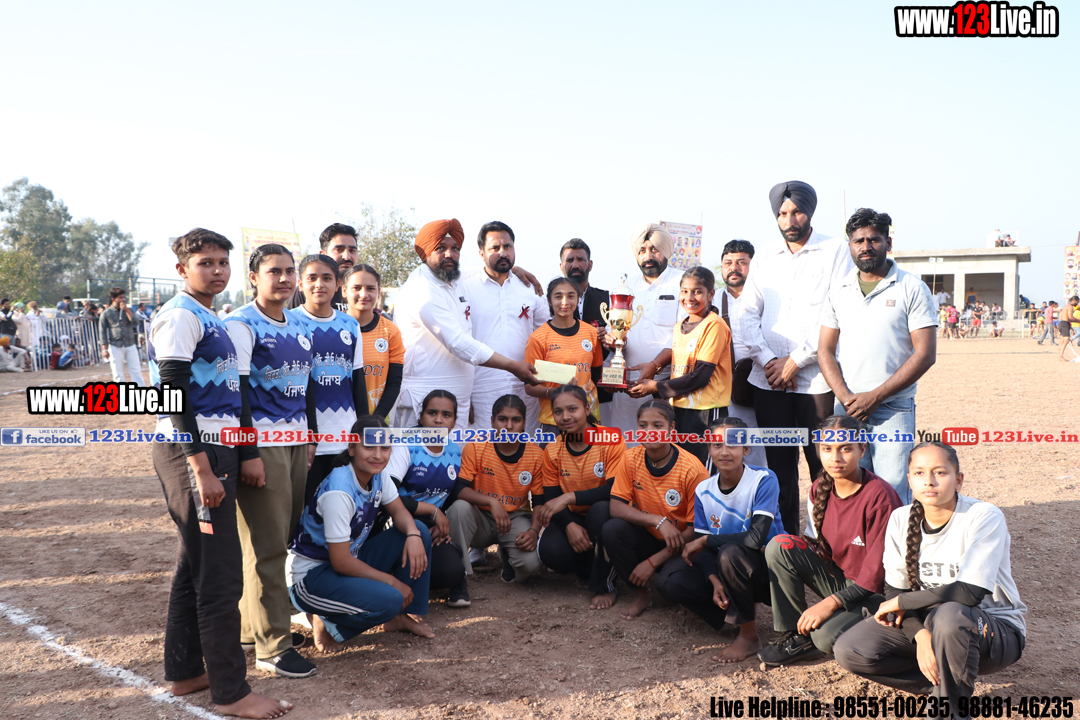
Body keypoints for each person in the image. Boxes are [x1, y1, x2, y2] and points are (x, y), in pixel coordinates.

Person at [148, 228, 292, 718]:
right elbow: (172, 393)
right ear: (182, 269)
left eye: (222, 262)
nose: (216, 270)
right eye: (205, 262)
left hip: (219, 450)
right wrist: (200, 468)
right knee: (221, 576)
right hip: (194, 453)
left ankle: (186, 671)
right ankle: (232, 693)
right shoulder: (180, 316)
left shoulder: (210, 316)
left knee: (196, 565)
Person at [834, 443, 1026, 710]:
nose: (929, 481)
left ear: (958, 480)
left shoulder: (983, 516)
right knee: (851, 648)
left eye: (940, 472)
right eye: (919, 473)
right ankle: (944, 684)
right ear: (909, 480)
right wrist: (920, 636)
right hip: (933, 624)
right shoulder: (900, 519)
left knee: (949, 615)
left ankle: (951, 708)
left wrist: (903, 603)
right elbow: (896, 591)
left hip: (993, 632)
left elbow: (969, 592)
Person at [739, 180, 854, 538]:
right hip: (769, 382)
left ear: (810, 213)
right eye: (783, 213)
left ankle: (827, 542)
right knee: (779, 469)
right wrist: (770, 360)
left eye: (797, 212)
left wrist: (796, 360)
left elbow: (838, 311)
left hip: (816, 381)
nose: (790, 220)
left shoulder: (835, 251)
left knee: (824, 465)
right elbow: (747, 313)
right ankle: (785, 543)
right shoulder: (765, 255)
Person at [224, 244, 318, 679]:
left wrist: (310, 436)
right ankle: (274, 647)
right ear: (254, 277)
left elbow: (307, 386)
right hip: (262, 445)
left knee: (272, 540)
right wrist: (248, 452)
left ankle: (252, 629)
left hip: (296, 443)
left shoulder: (298, 323)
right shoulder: (241, 324)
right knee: (268, 547)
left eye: (289, 271)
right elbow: (236, 393)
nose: (284, 279)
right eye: (273, 271)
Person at [757, 414, 901, 666]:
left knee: (823, 637)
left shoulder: (881, 497)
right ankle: (795, 636)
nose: (835, 458)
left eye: (845, 449)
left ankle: (872, 634)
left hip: (877, 593)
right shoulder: (819, 487)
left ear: (862, 449)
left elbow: (876, 577)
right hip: (842, 579)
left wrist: (830, 603)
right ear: (818, 450)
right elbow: (816, 545)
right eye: (827, 449)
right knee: (780, 545)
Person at [287, 416, 434, 654]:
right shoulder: (339, 491)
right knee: (390, 598)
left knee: (419, 531)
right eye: (369, 447)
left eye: (385, 448)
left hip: (346, 562)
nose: (378, 455)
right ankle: (325, 620)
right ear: (352, 448)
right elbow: (341, 562)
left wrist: (413, 535)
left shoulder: (378, 474)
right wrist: (392, 581)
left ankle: (399, 616)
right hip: (312, 577)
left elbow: (398, 510)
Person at [818, 209, 938, 502]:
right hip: (846, 408)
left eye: (874, 239)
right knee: (848, 489)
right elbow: (825, 350)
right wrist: (847, 398)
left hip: (893, 408)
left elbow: (925, 354)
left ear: (888, 243)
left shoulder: (911, 287)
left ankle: (895, 536)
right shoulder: (839, 289)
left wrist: (876, 396)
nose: (866, 246)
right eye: (858, 241)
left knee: (891, 491)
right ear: (850, 245)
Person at [392, 219, 539, 429]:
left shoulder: (448, 278)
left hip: (456, 399)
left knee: (454, 451)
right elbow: (458, 343)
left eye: (455, 248)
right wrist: (512, 366)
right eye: (440, 248)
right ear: (425, 253)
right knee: (415, 450)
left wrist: (512, 268)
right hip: (422, 398)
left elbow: (479, 271)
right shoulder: (423, 289)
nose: (449, 254)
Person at [661, 417, 785, 663]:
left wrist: (705, 541)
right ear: (709, 448)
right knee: (670, 581)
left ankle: (748, 635)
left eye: (733, 444)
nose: (724, 452)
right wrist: (714, 579)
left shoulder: (763, 479)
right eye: (717, 445)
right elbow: (703, 548)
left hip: (770, 572)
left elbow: (755, 538)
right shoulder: (704, 490)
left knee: (730, 552)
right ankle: (733, 610)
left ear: (746, 449)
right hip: (727, 567)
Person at [603, 401, 708, 620]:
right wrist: (658, 521)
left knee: (669, 586)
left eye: (657, 425)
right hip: (652, 536)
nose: (649, 432)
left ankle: (691, 593)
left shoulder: (693, 469)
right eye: (643, 425)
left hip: (684, 544)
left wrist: (652, 562)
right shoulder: (630, 457)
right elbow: (615, 507)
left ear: (672, 429)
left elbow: (695, 531)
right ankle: (641, 595)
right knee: (612, 529)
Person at [445, 394, 546, 605]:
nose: (508, 426)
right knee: (459, 508)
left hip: (514, 518)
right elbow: (458, 489)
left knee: (530, 566)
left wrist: (533, 531)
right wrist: (492, 502)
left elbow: (539, 501)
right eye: (502, 419)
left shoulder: (536, 454)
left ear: (524, 423)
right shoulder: (476, 446)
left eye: (516, 420)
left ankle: (508, 556)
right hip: (478, 518)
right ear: (492, 421)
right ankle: (457, 576)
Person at [535, 384, 626, 610]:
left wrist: (568, 498)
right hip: (574, 517)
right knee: (550, 551)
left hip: (605, 515)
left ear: (587, 409)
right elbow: (552, 497)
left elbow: (613, 490)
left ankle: (605, 585)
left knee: (600, 511)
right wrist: (568, 526)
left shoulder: (611, 439)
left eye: (572, 409)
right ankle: (587, 569)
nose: (565, 417)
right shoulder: (552, 449)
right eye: (558, 412)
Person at [630, 267, 731, 467]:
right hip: (679, 408)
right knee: (681, 467)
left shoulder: (714, 325)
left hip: (706, 410)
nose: (689, 298)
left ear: (711, 294)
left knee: (701, 469)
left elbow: (700, 376)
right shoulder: (679, 326)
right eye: (684, 291)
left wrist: (656, 386)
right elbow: (682, 372)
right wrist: (647, 384)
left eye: (697, 291)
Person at [290, 255, 367, 503]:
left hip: (344, 438)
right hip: (303, 439)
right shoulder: (289, 322)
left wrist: (363, 431)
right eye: (311, 278)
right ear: (300, 283)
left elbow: (358, 381)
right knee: (304, 509)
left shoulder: (350, 325)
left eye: (326, 278)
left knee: (341, 506)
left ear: (338, 284)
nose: (319, 285)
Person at [462, 221, 550, 432]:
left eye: (507, 246)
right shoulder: (465, 289)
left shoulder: (530, 289)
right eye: (495, 248)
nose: (503, 252)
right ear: (481, 253)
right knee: (482, 449)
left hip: (526, 389)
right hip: (480, 390)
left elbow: (547, 338)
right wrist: (463, 394)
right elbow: (457, 344)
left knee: (526, 449)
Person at [384, 390, 467, 603]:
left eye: (446, 415)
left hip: (432, 525)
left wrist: (443, 527)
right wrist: (433, 511)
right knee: (410, 564)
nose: (439, 420)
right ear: (421, 417)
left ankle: (451, 571)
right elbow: (388, 495)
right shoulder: (406, 445)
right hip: (399, 519)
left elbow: (449, 495)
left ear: (454, 421)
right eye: (432, 413)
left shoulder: (454, 450)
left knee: (451, 571)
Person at [606, 224, 688, 435]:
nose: (648, 256)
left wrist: (655, 366)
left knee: (660, 442)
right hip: (626, 387)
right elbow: (614, 329)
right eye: (642, 251)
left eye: (654, 249)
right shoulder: (626, 287)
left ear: (666, 250)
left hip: (664, 385)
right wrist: (611, 340)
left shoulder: (682, 283)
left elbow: (685, 335)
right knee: (626, 444)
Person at [525, 277, 604, 441]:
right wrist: (556, 393)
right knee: (552, 459)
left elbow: (596, 374)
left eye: (571, 296)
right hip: (554, 421)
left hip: (587, 419)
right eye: (558, 296)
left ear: (578, 298)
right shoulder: (538, 338)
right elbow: (529, 387)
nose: (565, 302)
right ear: (549, 301)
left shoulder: (591, 333)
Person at [716, 239, 767, 469]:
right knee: (726, 447)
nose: (733, 268)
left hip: (763, 381)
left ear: (752, 265)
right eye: (728, 263)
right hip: (723, 386)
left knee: (760, 448)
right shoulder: (713, 299)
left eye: (741, 262)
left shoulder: (766, 297)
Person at [559, 239, 613, 421]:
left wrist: (609, 338)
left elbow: (620, 341)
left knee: (600, 436)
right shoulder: (550, 303)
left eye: (580, 259)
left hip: (601, 389)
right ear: (561, 266)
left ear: (590, 264)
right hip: (563, 388)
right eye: (570, 260)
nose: (575, 265)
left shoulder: (608, 299)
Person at [343, 264, 404, 419]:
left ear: (378, 291)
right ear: (344, 290)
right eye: (356, 288)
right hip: (337, 420)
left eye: (370, 288)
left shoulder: (390, 331)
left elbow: (394, 382)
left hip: (375, 420)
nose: (364, 294)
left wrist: (377, 418)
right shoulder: (332, 329)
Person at [288, 223, 359, 313]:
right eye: (339, 250)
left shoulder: (365, 289)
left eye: (352, 250)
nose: (347, 257)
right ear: (323, 254)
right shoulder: (308, 289)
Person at [99, 287, 147, 386]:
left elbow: (136, 322)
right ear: (113, 299)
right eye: (120, 297)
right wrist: (104, 350)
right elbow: (102, 332)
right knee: (117, 373)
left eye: (124, 297)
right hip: (115, 346)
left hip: (130, 345)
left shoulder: (129, 310)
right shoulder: (106, 313)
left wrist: (126, 310)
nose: (123, 299)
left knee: (136, 370)